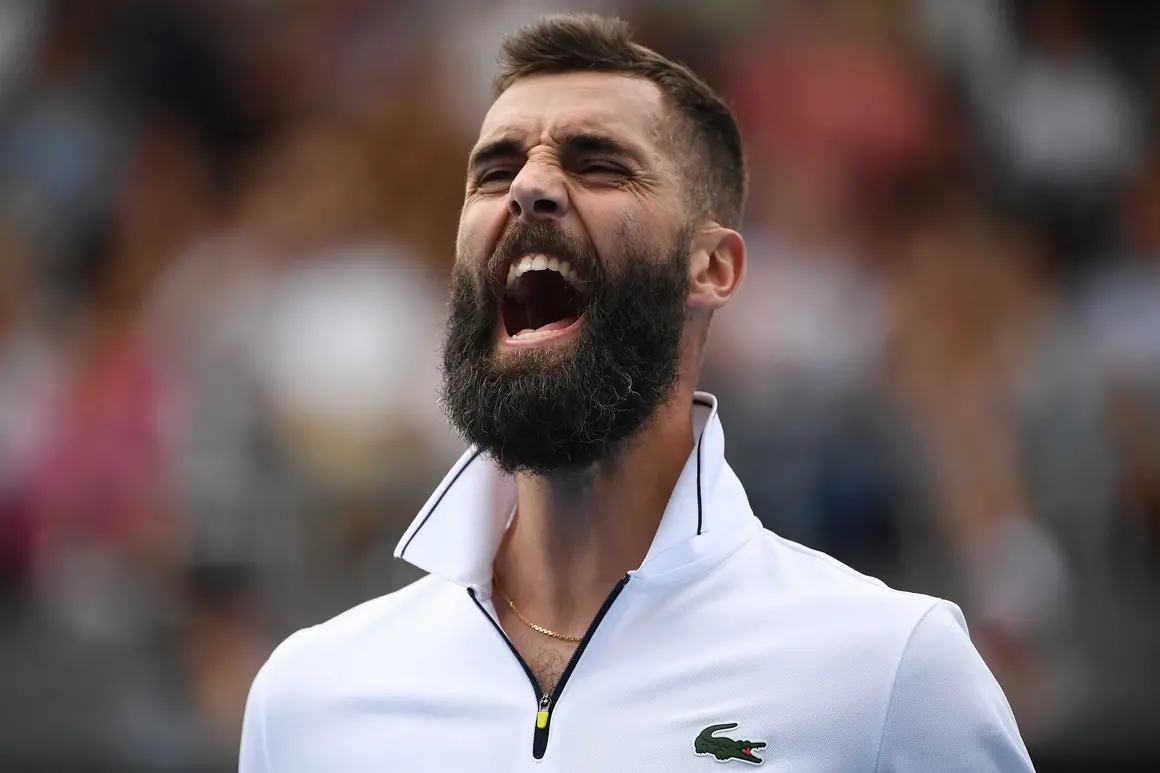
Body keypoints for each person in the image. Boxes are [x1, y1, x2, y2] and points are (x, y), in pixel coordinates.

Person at [239, 14, 1035, 772]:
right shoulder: (309, 698)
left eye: (597, 164)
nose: (529, 186)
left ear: (712, 268)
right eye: (495, 171)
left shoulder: (888, 669)